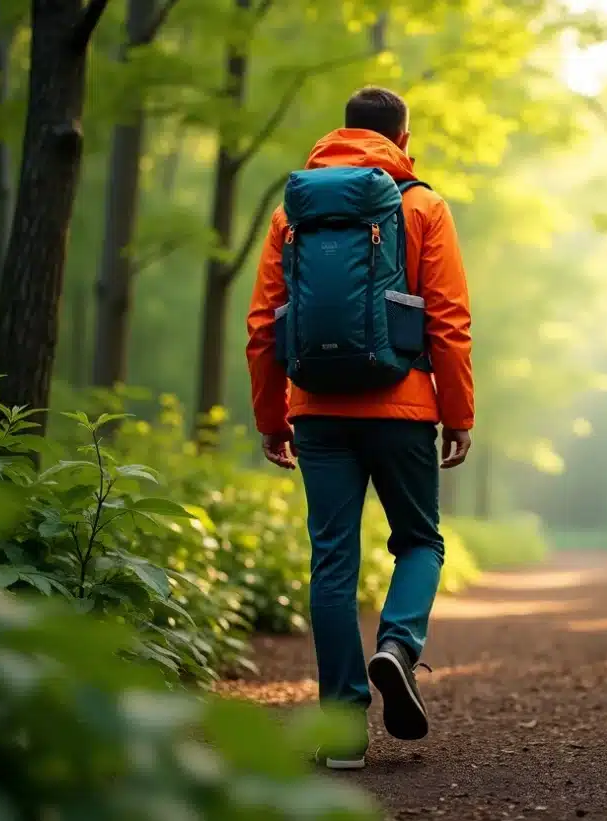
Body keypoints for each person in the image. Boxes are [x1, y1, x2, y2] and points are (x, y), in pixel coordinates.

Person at [245, 87, 474, 770]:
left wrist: (272, 417)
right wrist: (457, 414)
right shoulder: (424, 205)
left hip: (317, 410)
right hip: (403, 406)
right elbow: (448, 321)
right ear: (404, 139)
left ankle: (342, 730)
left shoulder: (295, 211)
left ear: (340, 133)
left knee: (333, 560)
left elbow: (264, 326)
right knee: (420, 541)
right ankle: (398, 645)